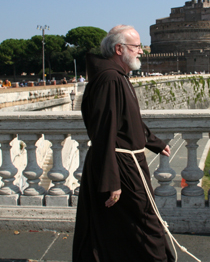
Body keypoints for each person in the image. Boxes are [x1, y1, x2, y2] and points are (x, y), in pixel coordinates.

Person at [72, 25, 174, 262]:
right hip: (121, 166)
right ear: (119, 49)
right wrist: (111, 180)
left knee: (114, 226)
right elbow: (104, 132)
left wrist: (153, 142)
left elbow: (128, 120)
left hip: (125, 161)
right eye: (136, 46)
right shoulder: (110, 79)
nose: (142, 51)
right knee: (146, 224)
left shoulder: (118, 76)